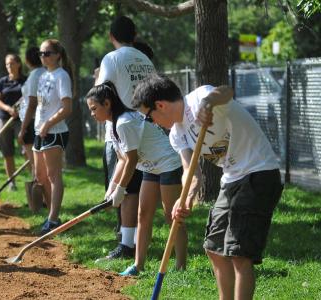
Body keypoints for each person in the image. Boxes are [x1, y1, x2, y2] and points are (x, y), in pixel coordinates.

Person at [132, 74, 282, 300]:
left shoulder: (201, 98)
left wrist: (209, 104)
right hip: (231, 179)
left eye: (148, 117)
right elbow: (191, 174)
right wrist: (186, 199)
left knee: (239, 254)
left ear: (160, 105)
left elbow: (226, 91)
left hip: (258, 172)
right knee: (214, 249)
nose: (151, 122)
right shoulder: (177, 134)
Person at [85, 81, 186, 277]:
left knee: (171, 215)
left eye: (94, 108)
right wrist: (112, 188)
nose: (92, 113)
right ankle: (138, 266)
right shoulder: (112, 123)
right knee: (143, 214)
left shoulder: (125, 122)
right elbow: (122, 159)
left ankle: (181, 265)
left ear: (107, 104)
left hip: (167, 162)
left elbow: (132, 159)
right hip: (149, 166)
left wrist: (121, 190)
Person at [94, 15, 156, 260]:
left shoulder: (112, 58)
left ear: (111, 37)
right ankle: (129, 240)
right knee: (132, 188)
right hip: (145, 126)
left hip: (122, 128)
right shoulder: (144, 59)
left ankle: (126, 244)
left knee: (126, 190)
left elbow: (99, 92)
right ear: (135, 35)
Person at [31, 39, 73, 235]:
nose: (43, 57)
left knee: (53, 176)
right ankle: (52, 214)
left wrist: (48, 124)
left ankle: (53, 219)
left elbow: (67, 108)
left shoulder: (62, 76)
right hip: (40, 130)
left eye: (47, 53)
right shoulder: (42, 76)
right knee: (40, 176)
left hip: (54, 132)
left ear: (57, 55)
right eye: (41, 53)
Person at [0, 54, 26, 190]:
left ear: (19, 64)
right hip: (4, 118)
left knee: (26, 150)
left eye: (12, 63)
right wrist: (8, 108)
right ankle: (11, 182)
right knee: (7, 152)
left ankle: (35, 180)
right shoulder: (2, 81)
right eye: (7, 64)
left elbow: (30, 97)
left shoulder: (26, 80)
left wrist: (18, 109)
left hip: (22, 119)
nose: (9, 66)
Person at [19, 47, 45, 179]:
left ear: (27, 60)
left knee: (36, 164)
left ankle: (39, 196)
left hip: (33, 121)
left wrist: (23, 128)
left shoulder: (35, 75)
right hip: (43, 120)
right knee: (41, 164)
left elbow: (32, 104)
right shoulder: (47, 72)